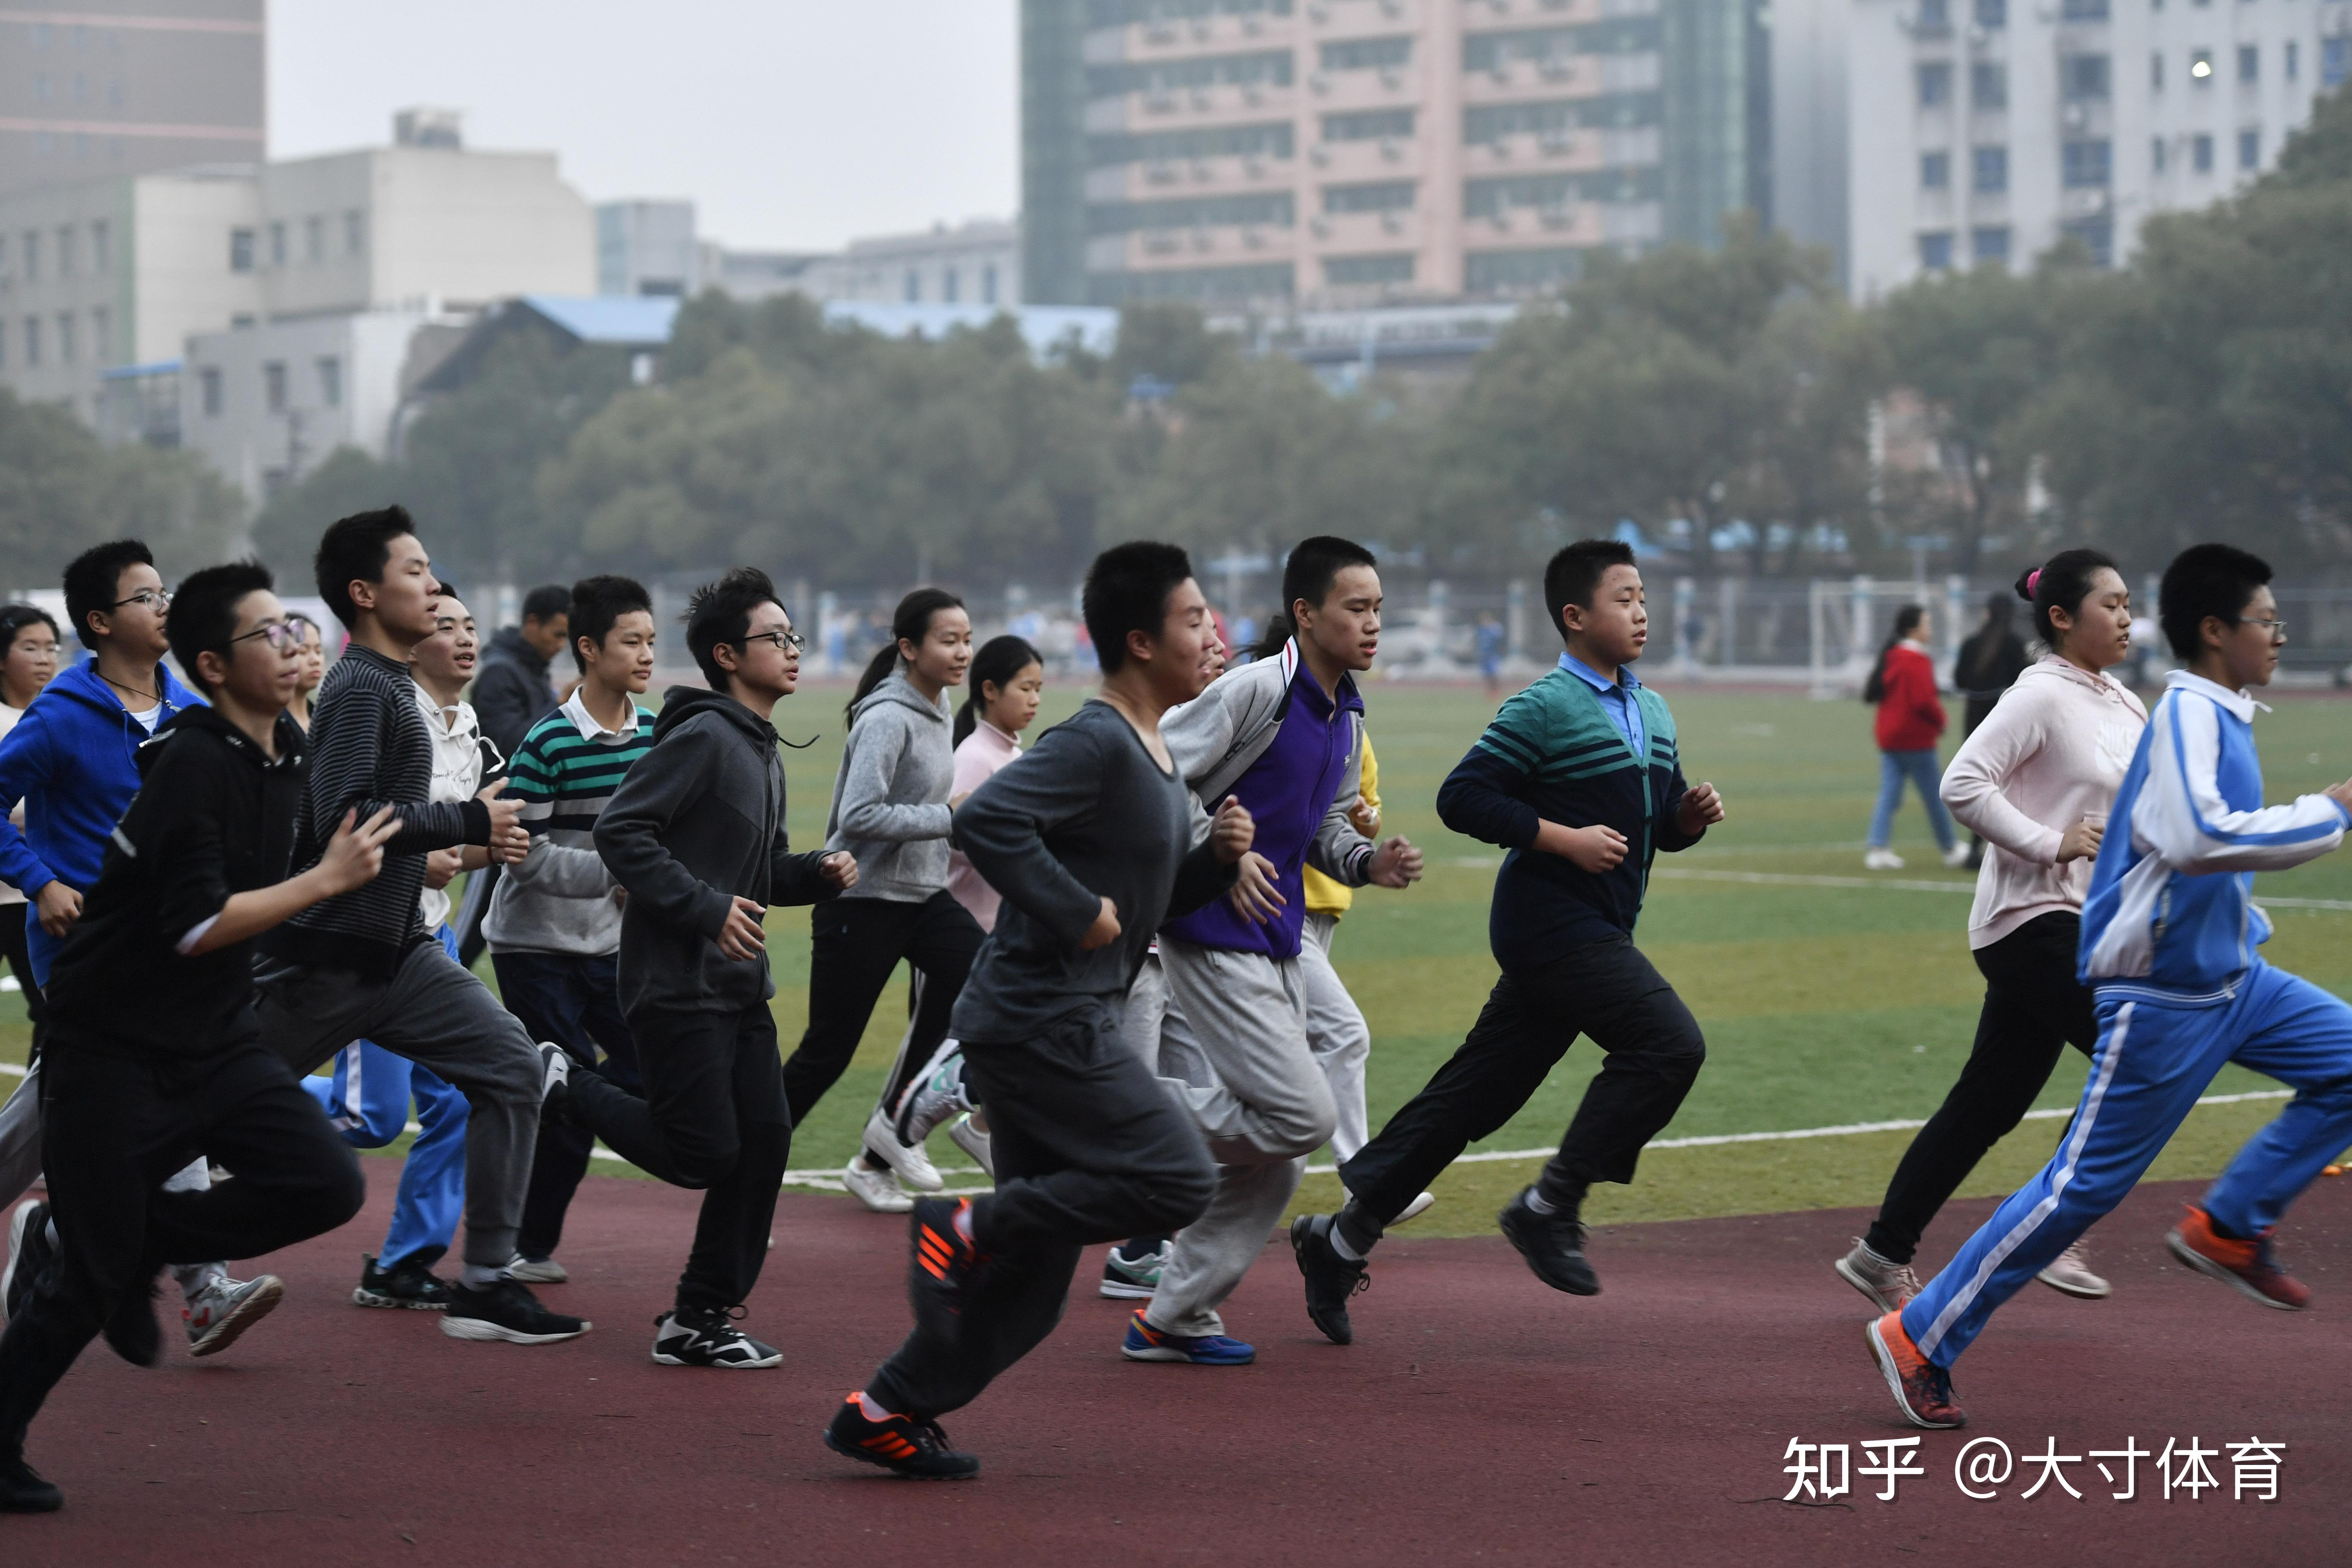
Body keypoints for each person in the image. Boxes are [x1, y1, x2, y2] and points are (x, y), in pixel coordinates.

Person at [1869, 543, 2352, 1431]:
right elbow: (2202, 837)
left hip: (2235, 977)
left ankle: (2231, 1222)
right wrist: (2333, 810)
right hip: (2163, 993)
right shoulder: (2186, 718)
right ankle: (1919, 1332)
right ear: (2217, 631)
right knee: (2075, 1190)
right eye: (2267, 621)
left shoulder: (2206, 712)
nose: (2280, 635)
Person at [823, 541, 1249, 1479]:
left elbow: (1142, 914)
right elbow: (986, 819)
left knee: (1036, 1286)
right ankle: (963, 1224)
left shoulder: (1154, 753)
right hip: (1040, 1019)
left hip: (1055, 1018)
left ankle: (884, 1407)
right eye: (1192, 619)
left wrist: (1211, 860)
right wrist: (1075, 908)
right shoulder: (1094, 739)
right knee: (1178, 1177)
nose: (1212, 633)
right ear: (1139, 641)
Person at [0, 562, 388, 1514]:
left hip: (214, 1039)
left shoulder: (284, 749)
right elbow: (195, 923)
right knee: (88, 1286)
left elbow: (343, 834)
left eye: (292, 626)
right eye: (268, 633)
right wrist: (325, 883)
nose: (292, 642)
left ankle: (117, 1241)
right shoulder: (192, 760)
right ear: (213, 665)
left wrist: (464, 824)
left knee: (324, 1181)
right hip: (110, 1045)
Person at [1290, 539, 1725, 1345]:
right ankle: (1549, 1204)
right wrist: (1561, 838)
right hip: (1546, 926)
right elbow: (1463, 798)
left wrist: (1683, 820)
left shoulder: (1654, 709)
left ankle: (1339, 1238)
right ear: (1574, 616)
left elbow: (1656, 819)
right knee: (1668, 1043)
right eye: (1623, 598)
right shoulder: (1542, 707)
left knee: (1475, 1095)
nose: (1639, 612)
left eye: (1641, 598)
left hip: (1594, 929)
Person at [250, 507, 584, 1346]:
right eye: (416, 572)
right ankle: (70, 1235)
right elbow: (342, 815)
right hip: (324, 961)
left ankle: (484, 1280)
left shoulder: (397, 685)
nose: (434, 586)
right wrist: (464, 819)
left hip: (399, 954)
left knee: (511, 1068)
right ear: (365, 594)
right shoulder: (362, 686)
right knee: (190, 1107)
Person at [1129, 537, 1424, 1367]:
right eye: (1355, 608)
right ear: (1306, 612)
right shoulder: (1255, 690)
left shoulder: (1347, 712)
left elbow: (1324, 829)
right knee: (1302, 1116)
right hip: (1209, 929)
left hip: (1280, 935)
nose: (1372, 625)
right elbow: (1154, 769)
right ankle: (1102, 1103)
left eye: (1378, 609)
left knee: (1281, 1157)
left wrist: (1372, 863)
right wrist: (1219, 848)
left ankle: (1172, 1315)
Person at [549, 569, 854, 1369]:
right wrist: (705, 910)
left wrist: (811, 873)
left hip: (736, 987)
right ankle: (565, 1084)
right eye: (775, 639)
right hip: (675, 985)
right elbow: (623, 831)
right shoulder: (705, 738)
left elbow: (756, 874)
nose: (793, 650)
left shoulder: (760, 746)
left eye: (794, 637)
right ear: (726, 654)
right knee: (702, 1155)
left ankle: (699, 1317)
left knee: (765, 1142)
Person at [1836, 551, 2145, 1315]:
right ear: (2061, 618)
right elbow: (1961, 783)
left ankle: (1880, 1252)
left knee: (1989, 1102)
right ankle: (2054, 1225)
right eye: (2109, 603)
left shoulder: (2127, 704)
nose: (2126, 615)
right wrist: (2051, 841)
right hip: (2028, 921)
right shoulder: (2038, 694)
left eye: (2128, 601)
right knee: (2134, 1055)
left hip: (2088, 922)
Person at [0, 542, 271, 1353]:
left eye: (166, 592)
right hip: (85, 952)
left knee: (82, 1103)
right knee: (148, 1094)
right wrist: (42, 880)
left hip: (168, 950)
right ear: (100, 621)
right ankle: (204, 1286)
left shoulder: (189, 710)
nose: (164, 605)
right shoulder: (62, 713)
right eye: (146, 596)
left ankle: (68, 1240)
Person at [304, 588, 498, 1311]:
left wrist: (497, 840)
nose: (465, 637)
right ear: (410, 641)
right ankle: (230, 1104)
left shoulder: (466, 721)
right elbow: (340, 828)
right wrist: (431, 856)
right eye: (446, 625)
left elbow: (456, 846)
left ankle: (403, 1262)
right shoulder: (380, 708)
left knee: (460, 1096)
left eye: (470, 624)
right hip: (368, 938)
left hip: (429, 937)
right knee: (372, 1119)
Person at [782, 590, 984, 1213]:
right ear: (908, 648)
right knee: (827, 1053)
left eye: (966, 639)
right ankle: (746, 1163)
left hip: (921, 899)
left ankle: (897, 1131)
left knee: (990, 979)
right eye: (948, 641)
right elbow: (859, 815)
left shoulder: (939, 703)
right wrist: (946, 819)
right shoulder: (887, 717)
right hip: (861, 902)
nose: (962, 652)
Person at [487, 575, 656, 1286]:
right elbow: (523, 853)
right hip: (534, 947)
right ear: (589, 649)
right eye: (632, 642)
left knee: (648, 1076)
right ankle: (524, 1243)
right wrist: (614, 875)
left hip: (609, 945)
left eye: (653, 640)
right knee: (571, 1095)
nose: (648, 654)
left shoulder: (655, 735)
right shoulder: (548, 741)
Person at [891, 634, 1047, 1179]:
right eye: (1025, 688)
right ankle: (876, 1155)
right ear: (989, 691)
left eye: (1039, 689)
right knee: (930, 1051)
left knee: (977, 1047)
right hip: (957, 926)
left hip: (996, 935)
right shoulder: (975, 758)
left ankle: (982, 1131)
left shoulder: (1011, 754)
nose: (1034, 700)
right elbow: (954, 837)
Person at [1299, 731, 1435, 1227]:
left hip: (1324, 910)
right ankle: (1370, 1183)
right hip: (1278, 911)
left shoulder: (1353, 730)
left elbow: (1367, 819)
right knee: (1343, 1033)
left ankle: (1172, 1222)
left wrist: (1364, 819)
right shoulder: (1277, 708)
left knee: (1292, 1060)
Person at [457, 584, 573, 968]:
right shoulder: (499, 673)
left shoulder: (530, 669)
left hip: (527, 819)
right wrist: (558, 707)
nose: (561, 645)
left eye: (567, 637)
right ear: (531, 624)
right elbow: (504, 745)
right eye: (557, 634)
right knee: (470, 932)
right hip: (496, 817)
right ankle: (422, 995)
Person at [1862, 605, 1967, 871]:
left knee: (1889, 794)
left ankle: (1878, 847)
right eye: (1926, 625)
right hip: (1915, 738)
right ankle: (1950, 848)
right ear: (1913, 630)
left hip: (1890, 736)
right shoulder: (1918, 660)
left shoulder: (1892, 656)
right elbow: (1923, 701)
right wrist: (1941, 721)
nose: (1930, 630)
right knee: (1934, 795)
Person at [0, 604, 61, 1026]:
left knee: (55, 1013)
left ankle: (48, 1096)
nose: (45, 658)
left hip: (37, 897)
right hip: (24, 883)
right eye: (31, 647)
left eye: (51, 647)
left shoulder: (59, 717)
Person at [1951, 596, 2029, 869]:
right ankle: (2012, 845)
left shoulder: (1971, 644)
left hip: (1974, 717)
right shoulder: (2016, 645)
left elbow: (1959, 680)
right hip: (2005, 718)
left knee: (1979, 779)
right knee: (2009, 782)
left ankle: (1974, 847)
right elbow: (2025, 679)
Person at [286, 612, 326, 734]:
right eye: (303, 652)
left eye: (318, 651)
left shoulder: (326, 722)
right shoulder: (272, 726)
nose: (316, 661)